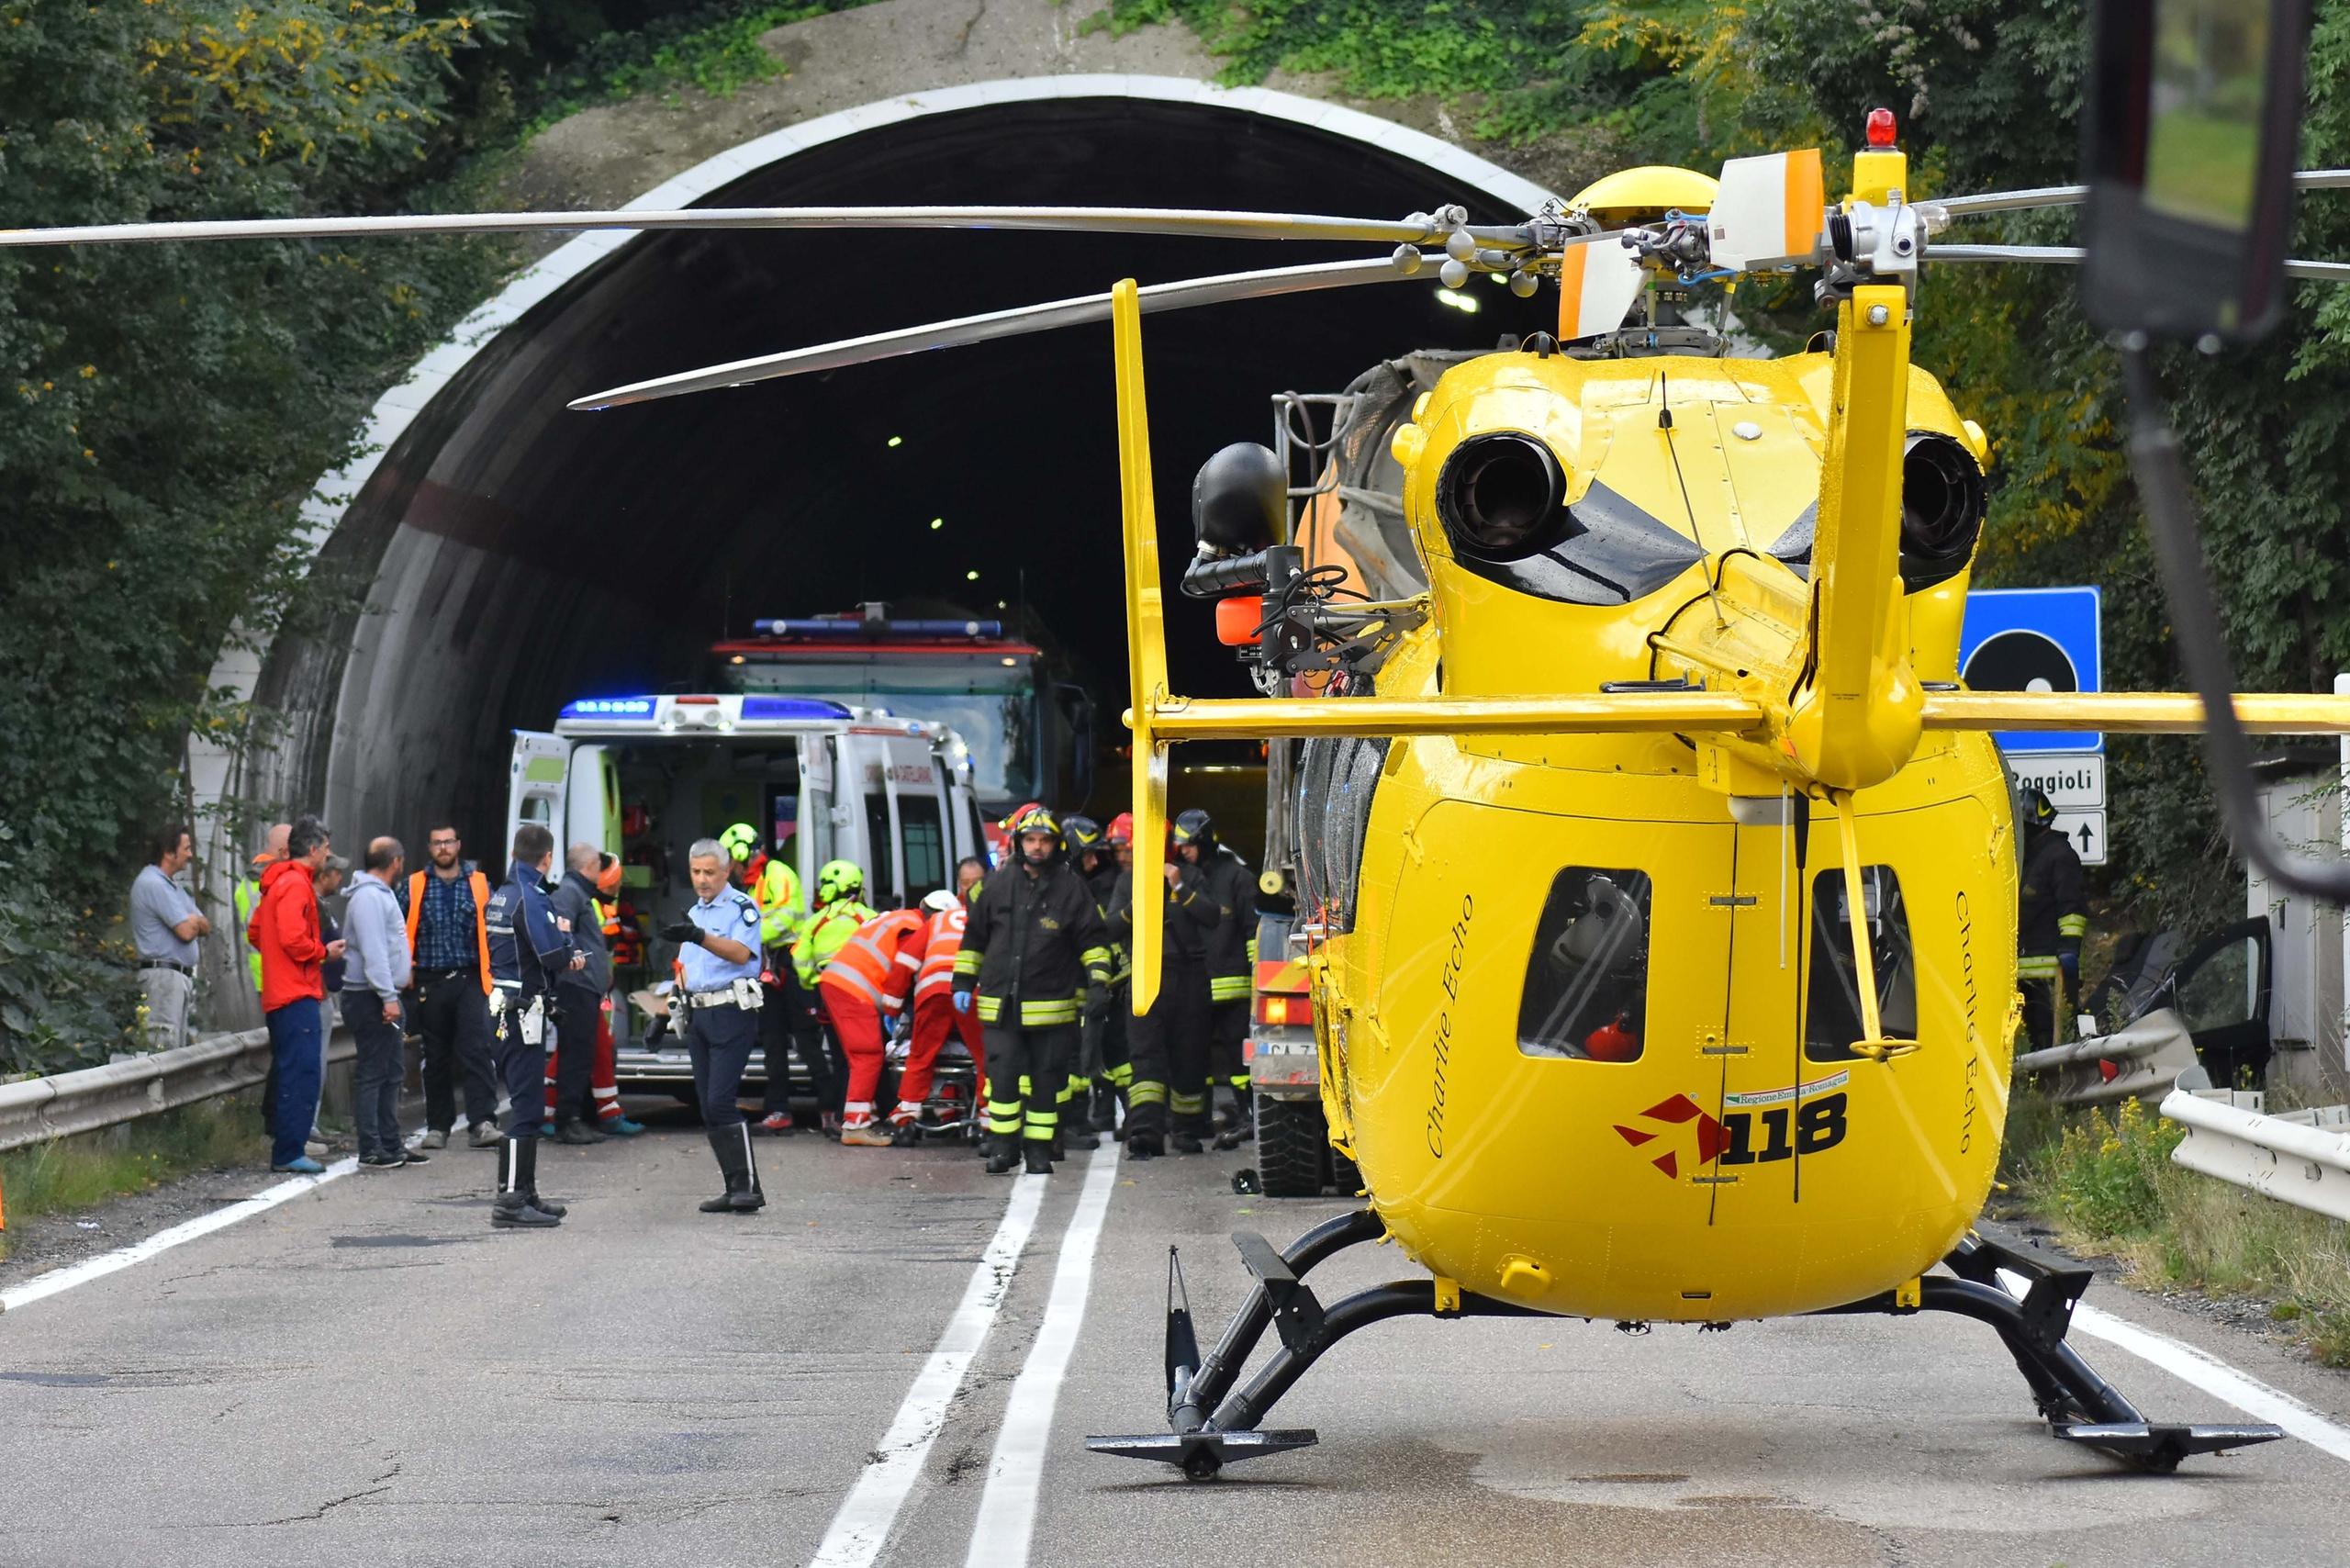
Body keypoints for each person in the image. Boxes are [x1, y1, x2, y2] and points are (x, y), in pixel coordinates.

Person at [954, 807, 1113, 1176]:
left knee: (1046, 1080)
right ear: (1019, 842)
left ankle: (1039, 1150)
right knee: (1003, 1077)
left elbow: (1093, 942)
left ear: (1055, 845)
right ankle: (1002, 1146)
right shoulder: (995, 885)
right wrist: (962, 981)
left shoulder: (1071, 888)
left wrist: (1099, 983)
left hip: (1051, 1006)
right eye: (1030, 840)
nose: (1037, 847)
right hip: (1000, 1004)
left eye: (1044, 841)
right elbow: (974, 939)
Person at [664, 839, 767, 1213]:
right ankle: (732, 1186)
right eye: (696, 872)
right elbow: (685, 968)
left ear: (727, 871)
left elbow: (741, 954)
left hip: (730, 1011)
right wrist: (667, 1011)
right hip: (700, 1015)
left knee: (721, 1101)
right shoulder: (695, 910)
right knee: (708, 1108)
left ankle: (749, 1188)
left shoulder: (742, 907)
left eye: (710, 872)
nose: (703, 880)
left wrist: (699, 935)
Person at [484, 824, 579, 1229]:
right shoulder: (531, 897)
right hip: (521, 1010)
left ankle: (526, 1192)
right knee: (526, 1106)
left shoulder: (501, 894)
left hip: (506, 1005)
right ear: (547, 858)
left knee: (529, 1102)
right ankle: (510, 1200)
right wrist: (572, 954)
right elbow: (552, 953)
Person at [1113, 823, 1219, 1158]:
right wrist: (1137, 902)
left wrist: (1179, 887)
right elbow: (1111, 927)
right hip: (1146, 977)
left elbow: (1212, 915)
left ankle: (1186, 1131)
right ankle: (1146, 1134)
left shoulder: (1190, 876)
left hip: (1189, 978)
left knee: (1189, 1058)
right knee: (1146, 1062)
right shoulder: (1128, 880)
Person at [247, 815, 342, 1175]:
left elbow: (258, 932)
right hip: (296, 992)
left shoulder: (275, 883)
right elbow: (291, 938)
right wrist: (321, 953)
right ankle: (289, 1150)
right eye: (327, 848)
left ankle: (287, 1145)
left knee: (291, 1068)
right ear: (314, 849)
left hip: (281, 990)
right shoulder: (295, 885)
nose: (329, 855)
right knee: (300, 1071)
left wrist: (278, 955)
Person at [404, 823, 502, 1149]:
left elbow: (495, 928)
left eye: (448, 842)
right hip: (429, 981)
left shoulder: (480, 883)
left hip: (470, 977)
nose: (443, 848)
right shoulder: (415, 885)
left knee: (477, 1049)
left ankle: (483, 1122)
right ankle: (438, 1126)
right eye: (437, 843)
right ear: (429, 848)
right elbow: (396, 928)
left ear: (458, 845)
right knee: (436, 1057)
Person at [1174, 809, 1258, 1142]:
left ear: (1206, 841)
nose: (1185, 851)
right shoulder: (1183, 878)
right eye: (1181, 846)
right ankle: (1199, 1121)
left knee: (1240, 1060)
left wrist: (1255, 981)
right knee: (1196, 1057)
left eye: (1190, 845)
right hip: (1195, 987)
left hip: (1233, 987)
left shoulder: (1236, 877)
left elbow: (1253, 931)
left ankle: (1248, 1112)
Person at [341, 837, 423, 1169]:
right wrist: (388, 996)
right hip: (371, 997)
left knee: (392, 1072)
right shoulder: (369, 899)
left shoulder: (378, 895)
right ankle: (371, 1148)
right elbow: (374, 949)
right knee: (374, 1073)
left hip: (382, 995)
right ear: (396, 861)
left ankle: (391, 1143)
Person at [819, 903, 930, 1146]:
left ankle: (866, 1116)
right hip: (854, 988)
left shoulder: (900, 918)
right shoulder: (915, 929)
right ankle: (856, 1125)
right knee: (867, 1055)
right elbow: (905, 971)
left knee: (864, 1056)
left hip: (840, 981)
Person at [786, 858, 876, 1136]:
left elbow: (799, 959)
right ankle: (859, 1113)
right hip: (860, 993)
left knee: (838, 1057)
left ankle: (838, 1115)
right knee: (862, 1056)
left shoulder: (815, 922)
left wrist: (813, 982)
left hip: (827, 995)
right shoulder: (868, 917)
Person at [901, 886, 986, 1141]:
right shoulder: (981, 921)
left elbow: (906, 962)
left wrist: (892, 1006)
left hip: (932, 990)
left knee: (920, 1055)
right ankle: (989, 1119)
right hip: (969, 990)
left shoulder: (934, 923)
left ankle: (906, 1118)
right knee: (986, 1057)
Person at [545, 842, 615, 1145]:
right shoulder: (570, 893)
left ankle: (575, 1117)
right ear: (589, 867)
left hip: (584, 987)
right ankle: (568, 1121)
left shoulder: (579, 893)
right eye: (599, 868)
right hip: (576, 988)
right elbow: (561, 933)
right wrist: (577, 963)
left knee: (581, 1053)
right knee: (575, 1054)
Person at [1059, 813, 1124, 1144]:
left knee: (1082, 1056)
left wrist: (1100, 982)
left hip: (1079, 986)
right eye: (1087, 853)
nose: (1094, 860)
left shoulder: (1082, 887)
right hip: (1058, 987)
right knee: (1067, 1058)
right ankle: (1069, 1123)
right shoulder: (1064, 888)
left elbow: (1096, 941)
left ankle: (1079, 1121)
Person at [2017, 786, 2088, 1056]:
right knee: (2029, 1043)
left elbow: (2072, 907)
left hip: (2051, 971)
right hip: (2021, 973)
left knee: (2052, 1040)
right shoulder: (2024, 860)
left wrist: (2069, 947)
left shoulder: (2060, 856)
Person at [129, 823, 209, 1052]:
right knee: (162, 1048)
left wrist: (193, 921)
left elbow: (205, 925)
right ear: (168, 852)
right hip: (163, 978)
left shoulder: (172, 887)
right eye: (186, 848)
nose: (191, 855)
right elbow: (186, 932)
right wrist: (191, 921)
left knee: (176, 1049)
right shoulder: (153, 884)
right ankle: (158, 1089)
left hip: (175, 978)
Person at [232, 821, 290, 998]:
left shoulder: (246, 883)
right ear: (285, 851)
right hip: (279, 972)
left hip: (256, 971)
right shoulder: (280, 882)